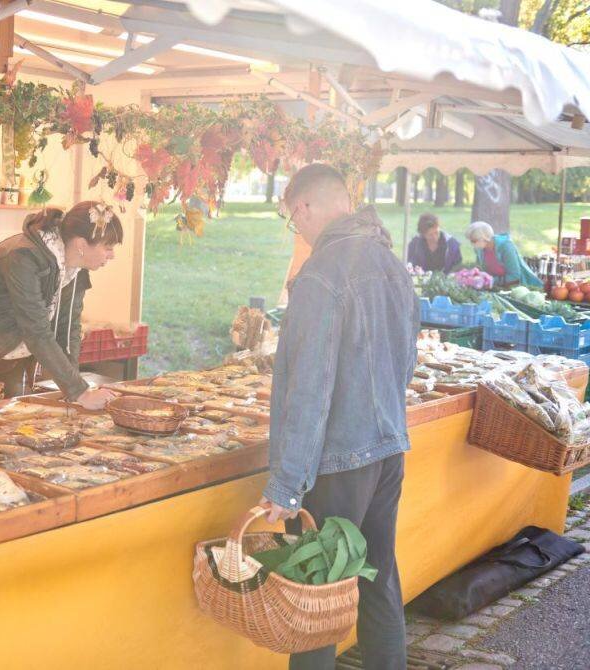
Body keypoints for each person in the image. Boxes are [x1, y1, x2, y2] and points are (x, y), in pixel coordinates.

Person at [263, 164, 419, 670]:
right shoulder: (391, 262)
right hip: (388, 447)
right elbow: (407, 360)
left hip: (337, 460)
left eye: (293, 219)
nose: (298, 231)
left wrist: (286, 485)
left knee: (316, 595)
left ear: (304, 207)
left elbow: (310, 387)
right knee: (377, 575)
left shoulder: (322, 273)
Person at [0, 201, 120, 410]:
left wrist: (75, 389)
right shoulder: (23, 256)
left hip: (11, 348)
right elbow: (36, 329)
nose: (112, 255)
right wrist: (81, 392)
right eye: (108, 247)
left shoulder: (76, 268)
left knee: (10, 419)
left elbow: (67, 330)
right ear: (81, 244)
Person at [465, 221, 543, 288]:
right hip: (496, 288)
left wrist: (492, 280)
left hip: (518, 288)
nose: (472, 244)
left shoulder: (506, 246)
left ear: (485, 238)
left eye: (473, 241)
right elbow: (482, 269)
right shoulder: (480, 249)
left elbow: (515, 276)